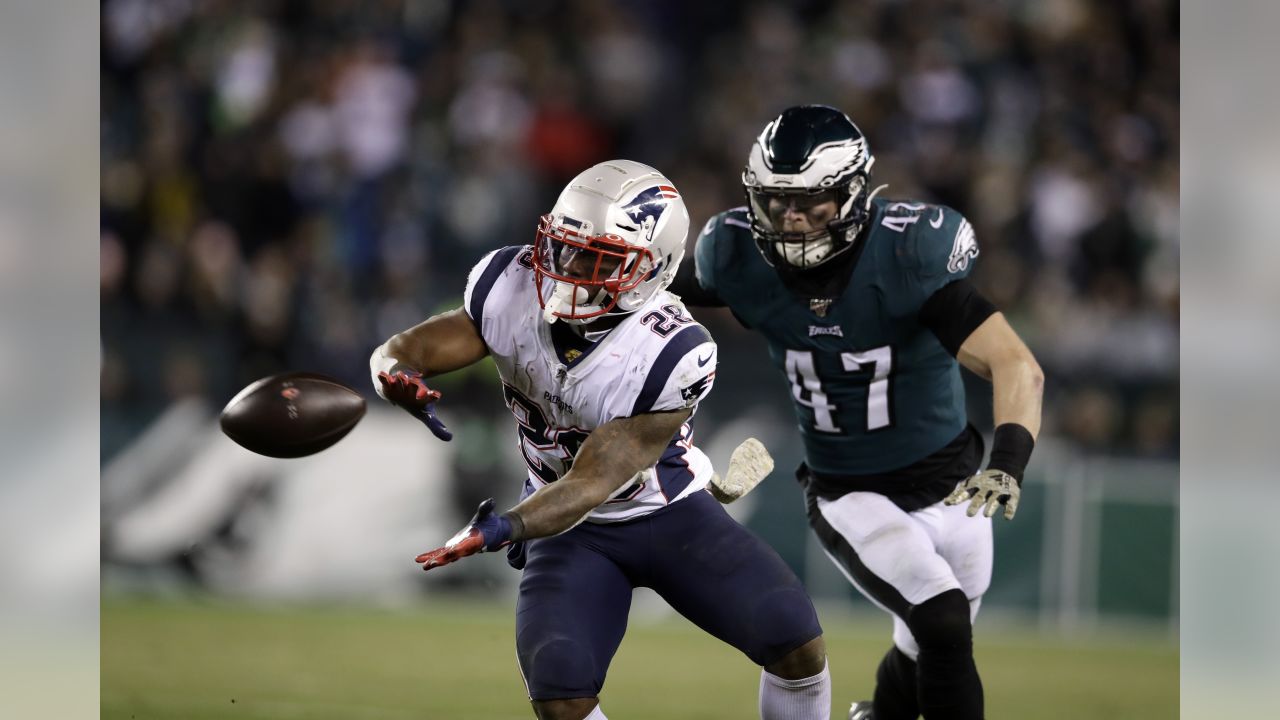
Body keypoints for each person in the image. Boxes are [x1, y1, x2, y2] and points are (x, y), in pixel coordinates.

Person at [370, 160, 832, 720]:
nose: (570, 268)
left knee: (795, 640)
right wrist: (392, 373)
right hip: (571, 534)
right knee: (560, 691)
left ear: (650, 269)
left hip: (663, 513)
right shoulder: (508, 285)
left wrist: (508, 524)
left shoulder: (673, 349)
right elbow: (406, 348)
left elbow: (593, 481)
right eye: (565, 247)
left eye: (597, 258)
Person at [669, 105, 1044, 720]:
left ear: (851, 194)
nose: (790, 220)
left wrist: (1008, 464)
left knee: (925, 644)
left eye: (809, 202)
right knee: (943, 621)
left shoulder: (908, 255)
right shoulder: (738, 258)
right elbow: (643, 297)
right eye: (775, 201)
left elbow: (1017, 366)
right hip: (852, 494)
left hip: (957, 488)